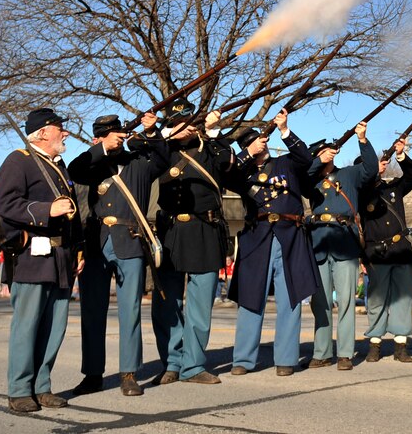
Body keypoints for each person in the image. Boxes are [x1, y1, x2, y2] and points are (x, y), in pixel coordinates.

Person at [68, 112, 168, 397]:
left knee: (130, 311)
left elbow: (162, 159)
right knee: (92, 311)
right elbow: (76, 170)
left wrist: (152, 131)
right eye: (106, 135)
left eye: (117, 134)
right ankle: (93, 373)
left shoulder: (138, 162)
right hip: (96, 242)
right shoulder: (92, 162)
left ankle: (128, 373)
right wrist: (102, 147)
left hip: (130, 240)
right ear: (98, 138)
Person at [0, 107, 82, 413]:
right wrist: (46, 211)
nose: (66, 133)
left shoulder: (58, 166)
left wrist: (78, 249)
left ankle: (42, 386)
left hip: (61, 257)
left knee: (54, 327)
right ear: (43, 132)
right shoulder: (19, 160)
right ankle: (20, 389)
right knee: (27, 326)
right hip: (32, 257)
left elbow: (72, 210)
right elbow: (6, 204)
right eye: (61, 128)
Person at [228, 109, 320, 377]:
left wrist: (284, 130)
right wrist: (247, 154)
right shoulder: (241, 172)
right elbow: (226, 176)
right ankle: (243, 360)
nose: (260, 145)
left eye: (261, 141)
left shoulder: (284, 164)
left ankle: (286, 359)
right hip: (257, 237)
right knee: (250, 298)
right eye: (253, 144)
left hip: (290, 235)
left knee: (289, 297)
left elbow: (306, 158)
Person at [150, 103, 236, 386]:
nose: (185, 126)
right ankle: (171, 363)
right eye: (178, 122)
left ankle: (193, 365)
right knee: (168, 305)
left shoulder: (210, 146)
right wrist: (165, 133)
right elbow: (140, 148)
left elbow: (226, 164)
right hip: (170, 230)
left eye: (188, 121)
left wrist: (213, 131)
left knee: (200, 305)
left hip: (204, 229)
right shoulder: (162, 149)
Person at [306, 122, 378, 370]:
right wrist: (317, 161)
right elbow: (304, 175)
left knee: (346, 301)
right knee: (320, 302)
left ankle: (345, 353)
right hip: (318, 243)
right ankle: (322, 351)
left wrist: (362, 139)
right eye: (320, 154)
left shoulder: (349, 173)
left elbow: (371, 169)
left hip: (345, 242)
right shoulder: (310, 180)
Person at [359, 138, 412, 363]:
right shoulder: (361, 192)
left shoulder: (393, 186)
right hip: (377, 253)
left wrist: (400, 155)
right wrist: (371, 172)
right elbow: (364, 184)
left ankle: (400, 344)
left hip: (401, 249)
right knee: (377, 300)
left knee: (403, 298)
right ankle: (375, 343)